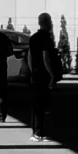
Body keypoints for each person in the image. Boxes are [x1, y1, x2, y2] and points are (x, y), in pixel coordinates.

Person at [27, 11, 61, 144]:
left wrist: (31, 71)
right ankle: (39, 133)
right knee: (42, 104)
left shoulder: (33, 37)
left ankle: (36, 132)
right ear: (48, 23)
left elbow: (29, 56)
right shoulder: (46, 38)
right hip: (43, 75)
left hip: (35, 74)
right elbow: (46, 58)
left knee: (37, 104)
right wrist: (52, 75)